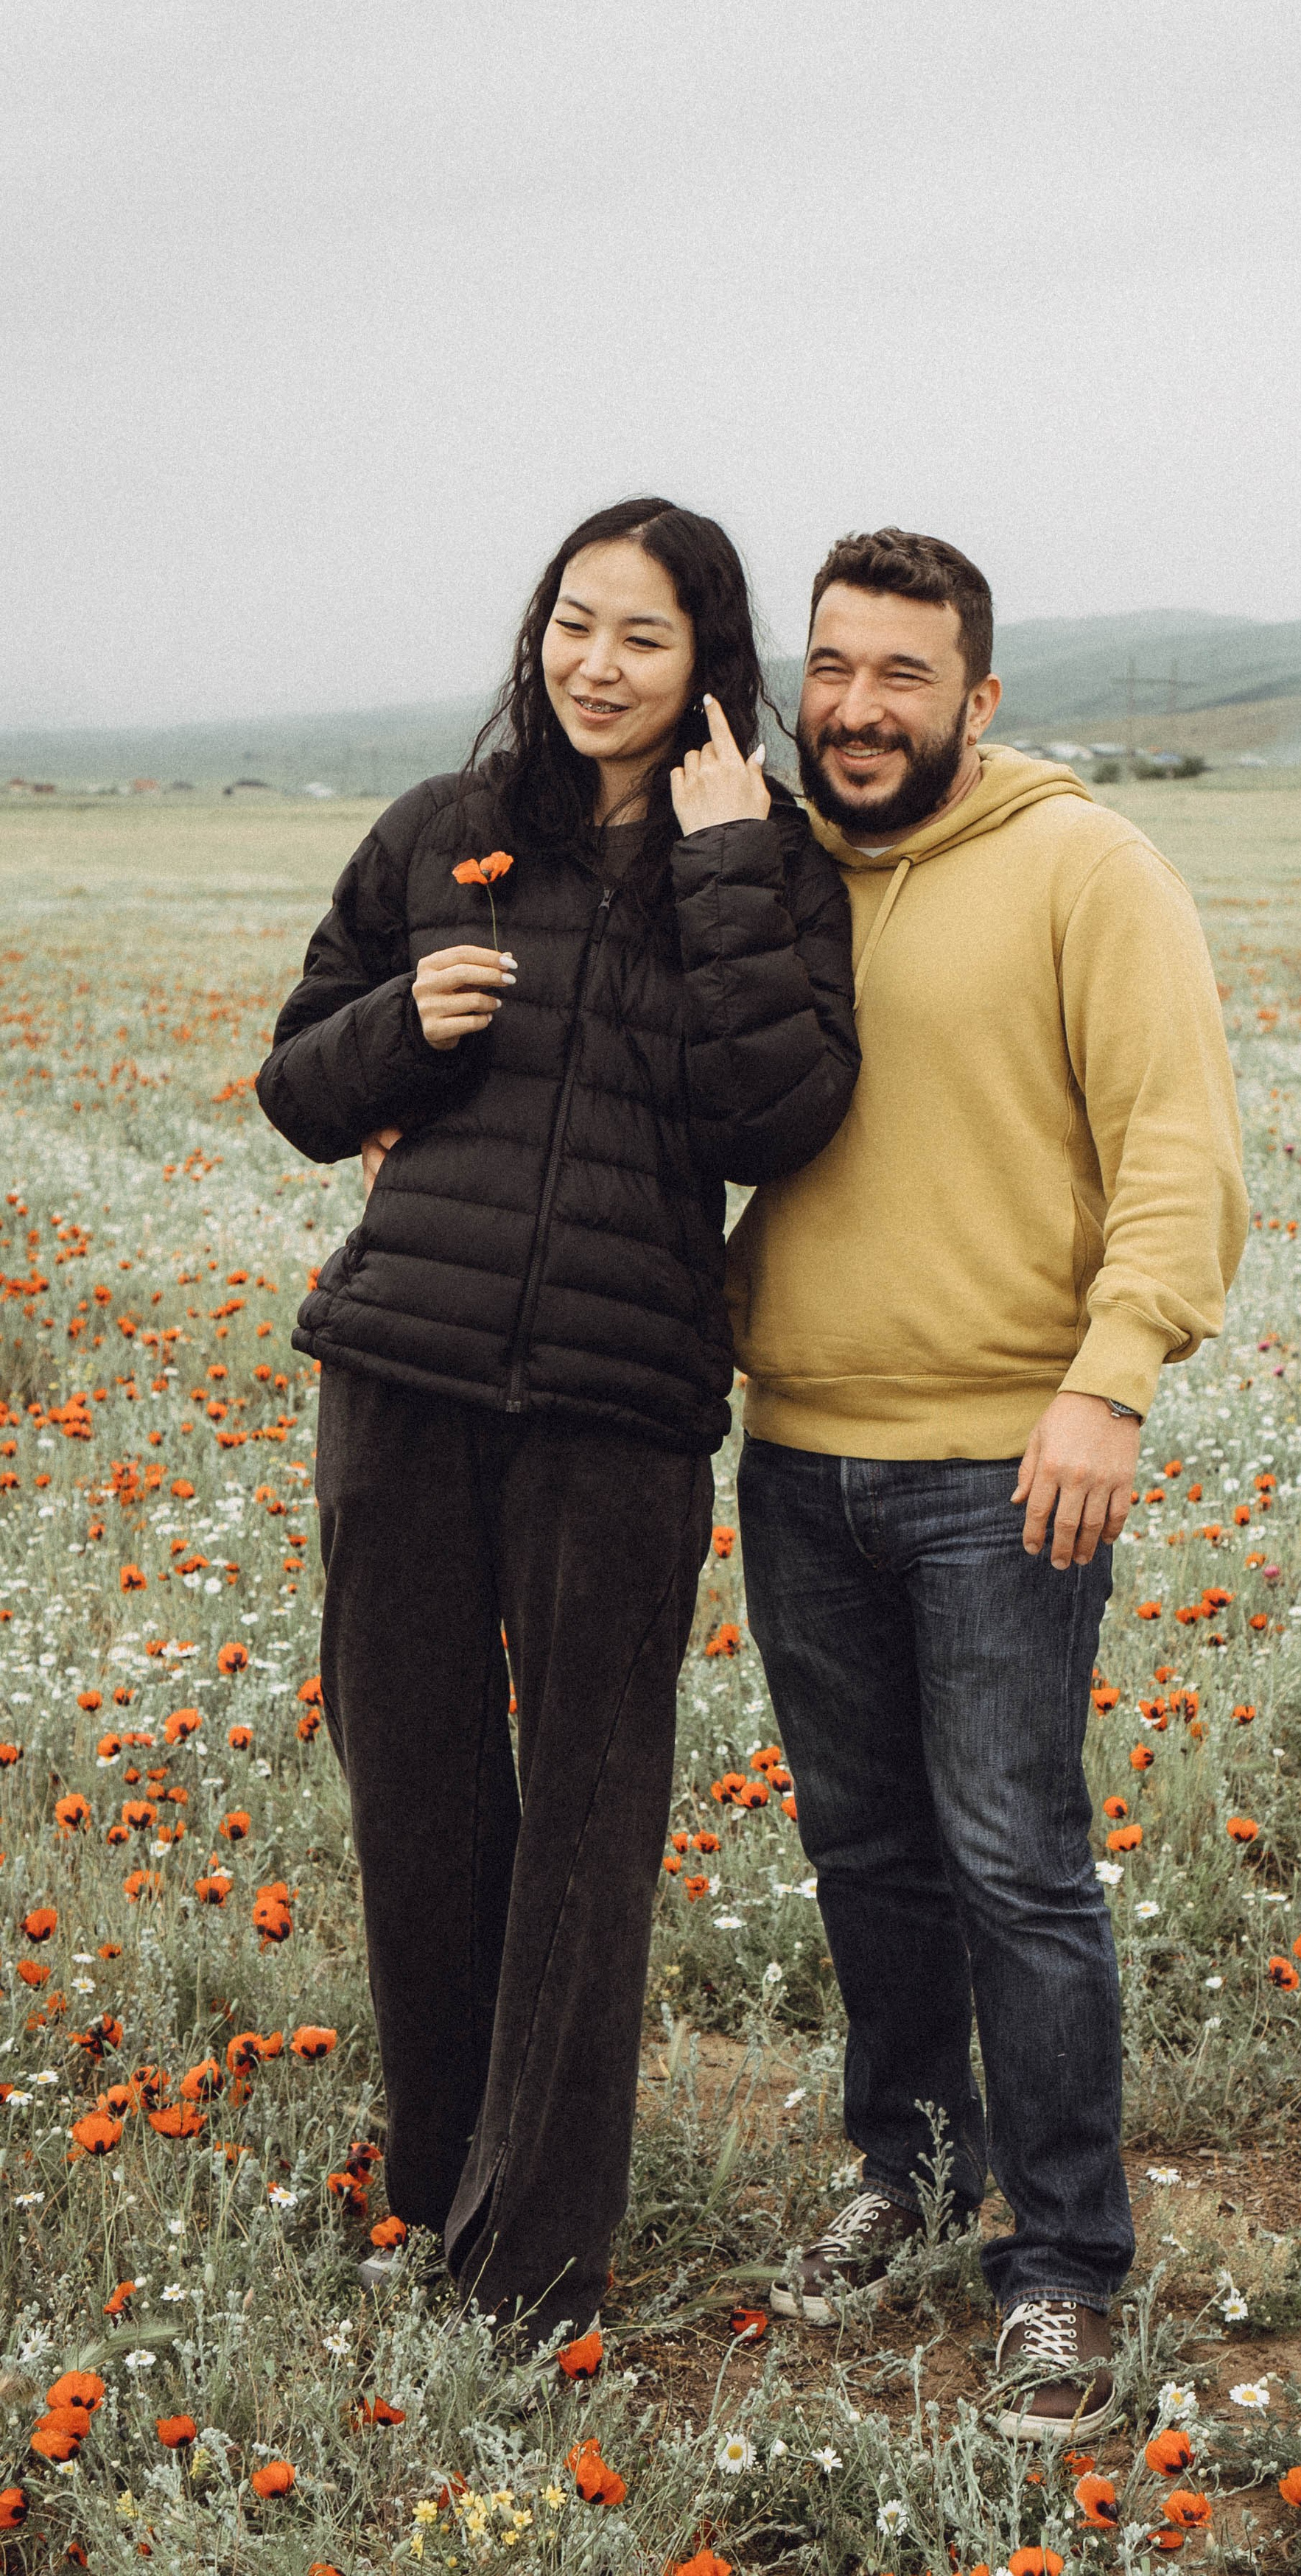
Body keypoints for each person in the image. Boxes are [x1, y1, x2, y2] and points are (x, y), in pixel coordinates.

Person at [256, 497, 858, 2350]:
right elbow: (295, 1079)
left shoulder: (766, 860)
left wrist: (735, 866)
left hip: (618, 1408)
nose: (595, 666)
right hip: (403, 1380)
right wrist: (395, 1034)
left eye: (642, 639)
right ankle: (436, 2195)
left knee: (589, 1831)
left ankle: (530, 2273)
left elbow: (781, 1118)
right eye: (572, 626)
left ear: (707, 668)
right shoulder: (441, 837)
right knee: (420, 1804)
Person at [730, 528, 1246, 2443]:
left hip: (1002, 1468)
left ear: (979, 696)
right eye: (834, 670)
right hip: (795, 1453)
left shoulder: (1082, 866)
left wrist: (1109, 1385)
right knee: (865, 1855)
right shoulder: (763, 868)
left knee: (1015, 1864)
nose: (859, 711)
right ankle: (915, 2169)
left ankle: (1066, 2268)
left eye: (903, 678)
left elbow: (1177, 1141)